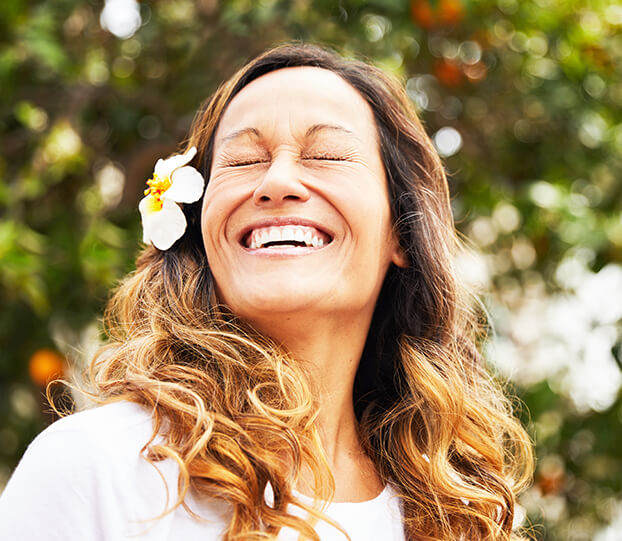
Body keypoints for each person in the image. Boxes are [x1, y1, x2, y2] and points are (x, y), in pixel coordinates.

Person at [0, 44, 533, 540]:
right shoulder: (96, 466)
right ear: (199, 224)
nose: (276, 182)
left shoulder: (454, 512)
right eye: (242, 161)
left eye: (326, 154)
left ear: (401, 231)